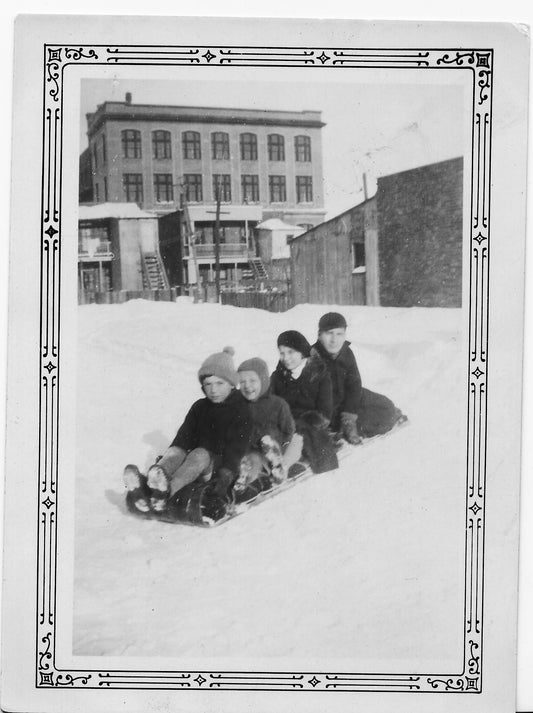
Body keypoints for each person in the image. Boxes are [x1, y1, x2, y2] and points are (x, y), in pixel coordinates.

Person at [124, 346, 252, 514]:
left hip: (216, 469)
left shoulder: (241, 410)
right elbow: (184, 436)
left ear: (231, 384)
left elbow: (238, 448)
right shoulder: (200, 407)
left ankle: (167, 492)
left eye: (220, 383)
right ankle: (148, 486)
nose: (213, 390)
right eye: (208, 384)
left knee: (199, 453)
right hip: (191, 465)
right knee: (176, 451)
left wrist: (226, 476)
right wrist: (173, 454)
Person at [311, 312, 407, 442]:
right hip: (327, 409)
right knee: (378, 419)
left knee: (386, 406)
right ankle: (340, 432)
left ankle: (389, 414)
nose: (334, 340)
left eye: (339, 334)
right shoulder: (311, 357)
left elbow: (354, 385)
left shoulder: (346, 353)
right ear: (319, 335)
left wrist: (349, 418)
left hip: (347, 401)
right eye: (329, 333)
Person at [270, 330, 338, 474]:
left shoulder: (320, 375)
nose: (286, 358)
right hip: (284, 425)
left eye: (290, 352)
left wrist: (299, 419)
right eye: (282, 353)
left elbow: (324, 413)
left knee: (302, 433)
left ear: (302, 352)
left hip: (310, 425)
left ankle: (285, 465)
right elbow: (271, 402)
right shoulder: (277, 377)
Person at [235, 357, 304, 496]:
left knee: (289, 442)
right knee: (251, 463)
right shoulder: (238, 405)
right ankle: (244, 480)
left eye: (252, 381)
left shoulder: (278, 404)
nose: (247, 386)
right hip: (252, 450)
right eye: (242, 382)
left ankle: (277, 463)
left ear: (264, 380)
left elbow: (289, 429)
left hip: (274, 444)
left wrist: (283, 445)